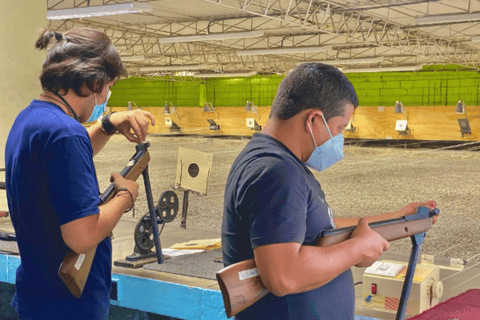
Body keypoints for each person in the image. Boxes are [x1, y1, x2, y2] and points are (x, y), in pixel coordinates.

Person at [222, 63, 437, 319]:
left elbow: (322, 227)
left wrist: (400, 218)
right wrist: (356, 250)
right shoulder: (277, 172)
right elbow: (283, 276)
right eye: (339, 128)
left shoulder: (274, 161)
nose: (340, 138)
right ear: (313, 120)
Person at [4, 28, 155, 320]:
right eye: (108, 86)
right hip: (68, 308)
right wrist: (125, 195)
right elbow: (81, 236)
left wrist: (107, 124)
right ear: (94, 82)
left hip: (37, 298)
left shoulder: (31, 120)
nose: (107, 95)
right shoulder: (65, 134)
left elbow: (62, 165)